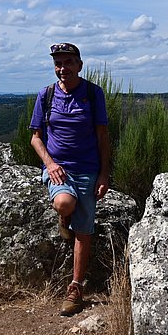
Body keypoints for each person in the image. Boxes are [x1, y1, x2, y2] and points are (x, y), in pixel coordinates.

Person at [29, 42, 111, 316]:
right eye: (58, 63)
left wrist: (103, 173)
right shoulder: (47, 95)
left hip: (87, 168)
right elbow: (35, 137)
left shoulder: (92, 93)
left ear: (79, 64)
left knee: (84, 228)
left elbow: (102, 136)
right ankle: (64, 216)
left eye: (67, 62)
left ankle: (75, 287)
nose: (62, 68)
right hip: (59, 169)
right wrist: (50, 165)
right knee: (64, 203)